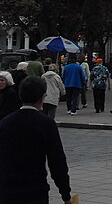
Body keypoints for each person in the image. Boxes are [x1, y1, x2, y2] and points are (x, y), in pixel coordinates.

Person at [0, 76, 74, 204]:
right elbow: (57, 162)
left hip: (7, 190)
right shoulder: (46, 124)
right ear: (42, 97)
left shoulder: (5, 123)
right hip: (35, 191)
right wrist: (66, 194)